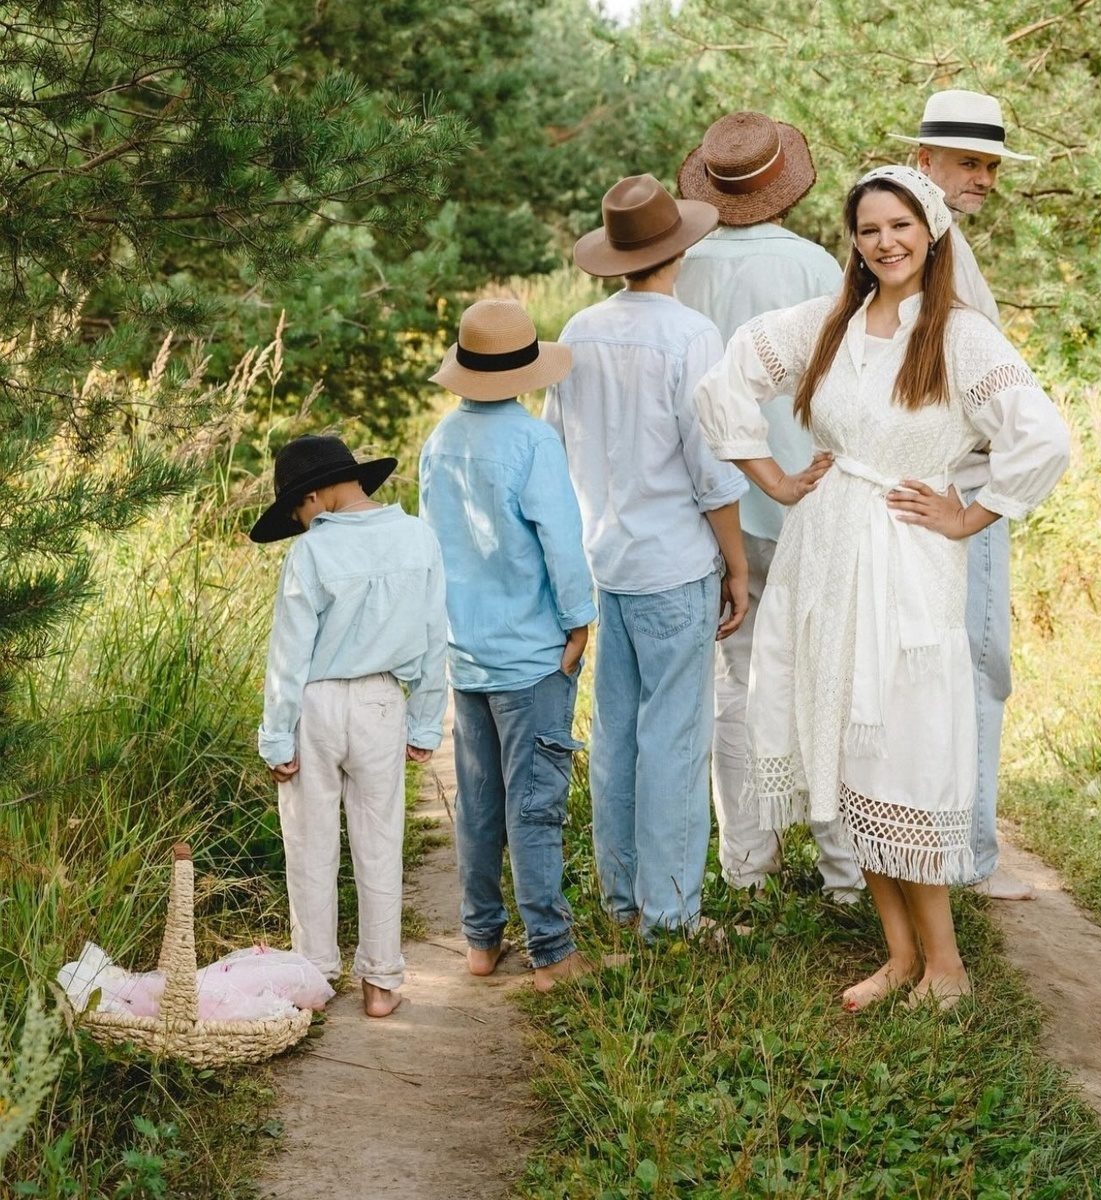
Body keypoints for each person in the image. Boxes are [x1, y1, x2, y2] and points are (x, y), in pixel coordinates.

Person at [694, 165, 1068, 1009]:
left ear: (929, 231)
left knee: (900, 748)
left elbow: (1041, 434)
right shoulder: (832, 321)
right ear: (853, 242)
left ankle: (947, 966)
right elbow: (723, 384)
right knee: (843, 744)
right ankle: (899, 956)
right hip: (824, 549)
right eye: (868, 230)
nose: (885, 242)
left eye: (900, 225)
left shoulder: (961, 334)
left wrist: (974, 513)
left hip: (906, 556)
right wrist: (779, 480)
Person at [544, 174, 749, 937]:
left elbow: (555, 446)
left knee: (619, 734)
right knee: (674, 738)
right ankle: (669, 913)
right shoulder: (692, 335)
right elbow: (711, 471)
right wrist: (736, 565)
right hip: (673, 566)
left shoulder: (579, 329)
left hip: (606, 563)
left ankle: (622, 896)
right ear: (680, 251)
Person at [675, 110, 862, 901]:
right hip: (807, 500)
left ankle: (747, 869)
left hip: (713, 512)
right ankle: (846, 870)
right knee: (830, 681)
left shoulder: (677, 266)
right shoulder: (820, 268)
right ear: (785, 186)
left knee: (736, 683)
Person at [419, 298, 596, 992]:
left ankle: (480, 939)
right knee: (535, 803)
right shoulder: (532, 442)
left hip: (466, 651)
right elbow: (560, 537)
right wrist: (580, 619)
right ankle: (552, 951)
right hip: (530, 656)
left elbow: (432, 541)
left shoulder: (439, 442)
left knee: (481, 799)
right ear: (524, 372)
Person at [891, 89, 1038, 900]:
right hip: (959, 484)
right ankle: (971, 858)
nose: (983, 178)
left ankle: (925, 851)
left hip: (933, 479)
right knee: (980, 665)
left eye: (989, 165)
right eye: (968, 163)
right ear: (925, 162)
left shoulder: (922, 243)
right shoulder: (932, 246)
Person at [252, 435, 447, 1018]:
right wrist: (426, 721)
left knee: (310, 842)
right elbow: (436, 637)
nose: (302, 524)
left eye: (298, 512)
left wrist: (276, 735)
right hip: (382, 703)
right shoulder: (419, 538)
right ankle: (382, 982)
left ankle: (315, 973)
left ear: (314, 495)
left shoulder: (311, 555)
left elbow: (288, 655)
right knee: (380, 839)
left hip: (315, 705)